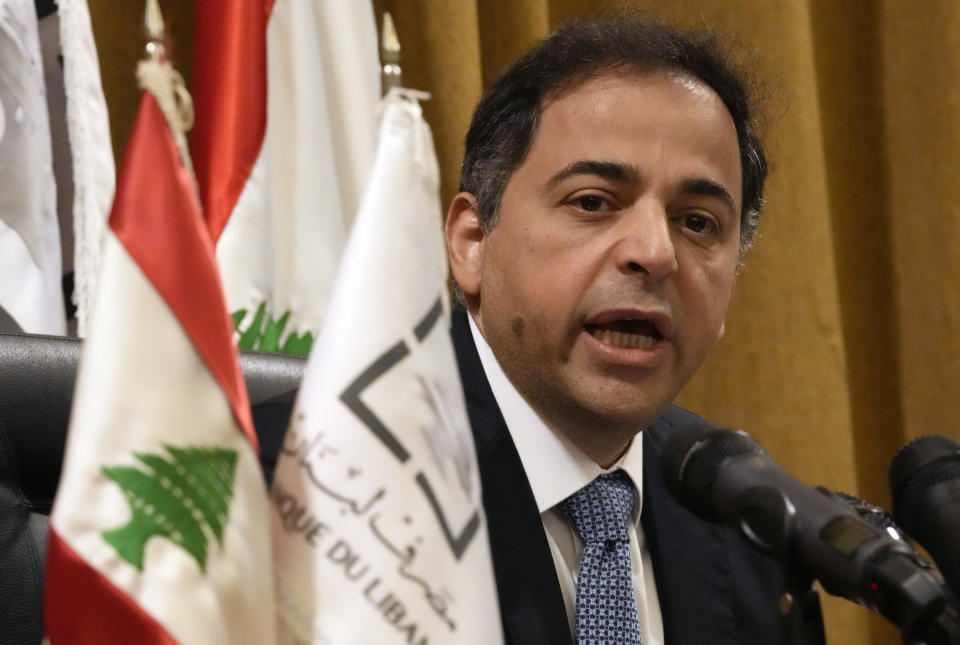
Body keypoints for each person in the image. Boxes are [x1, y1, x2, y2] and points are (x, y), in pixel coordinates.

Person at [444, 14, 826, 645]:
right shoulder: (317, 482)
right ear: (473, 243)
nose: (655, 252)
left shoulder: (751, 528)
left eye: (698, 223)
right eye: (593, 202)